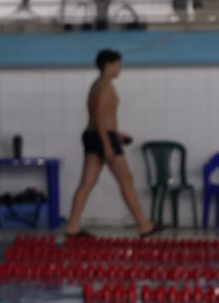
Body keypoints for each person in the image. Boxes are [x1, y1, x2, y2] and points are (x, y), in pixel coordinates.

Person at [63, 50, 157, 238]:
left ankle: (72, 226)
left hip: (94, 135)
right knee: (126, 179)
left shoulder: (97, 84)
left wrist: (116, 134)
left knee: (87, 183)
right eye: (118, 65)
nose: (119, 69)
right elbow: (99, 117)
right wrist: (107, 144)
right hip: (103, 137)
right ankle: (144, 225)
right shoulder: (105, 86)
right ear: (108, 64)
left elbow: (99, 117)